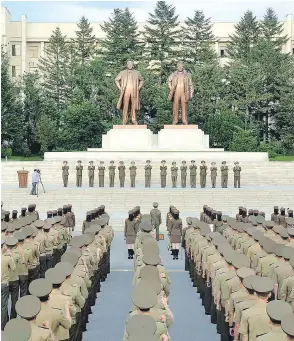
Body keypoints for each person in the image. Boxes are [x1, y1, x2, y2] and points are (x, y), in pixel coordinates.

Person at [115, 60, 144, 125]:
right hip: (125, 92)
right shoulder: (122, 72)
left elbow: (142, 80)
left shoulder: (137, 73)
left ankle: (134, 119)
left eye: (131, 64)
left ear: (133, 65)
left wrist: (138, 88)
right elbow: (116, 80)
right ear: (127, 65)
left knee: (133, 106)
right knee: (125, 106)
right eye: (128, 64)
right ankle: (124, 120)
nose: (130, 65)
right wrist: (120, 88)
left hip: (134, 92)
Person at [167, 60, 194, 125]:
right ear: (177, 67)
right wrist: (171, 88)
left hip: (184, 92)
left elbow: (190, 84)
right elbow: (168, 81)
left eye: (181, 66)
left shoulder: (187, 75)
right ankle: (175, 120)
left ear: (183, 67)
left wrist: (191, 93)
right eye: (179, 66)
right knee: (175, 106)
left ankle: (184, 120)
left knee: (184, 106)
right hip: (176, 92)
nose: (180, 67)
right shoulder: (173, 74)